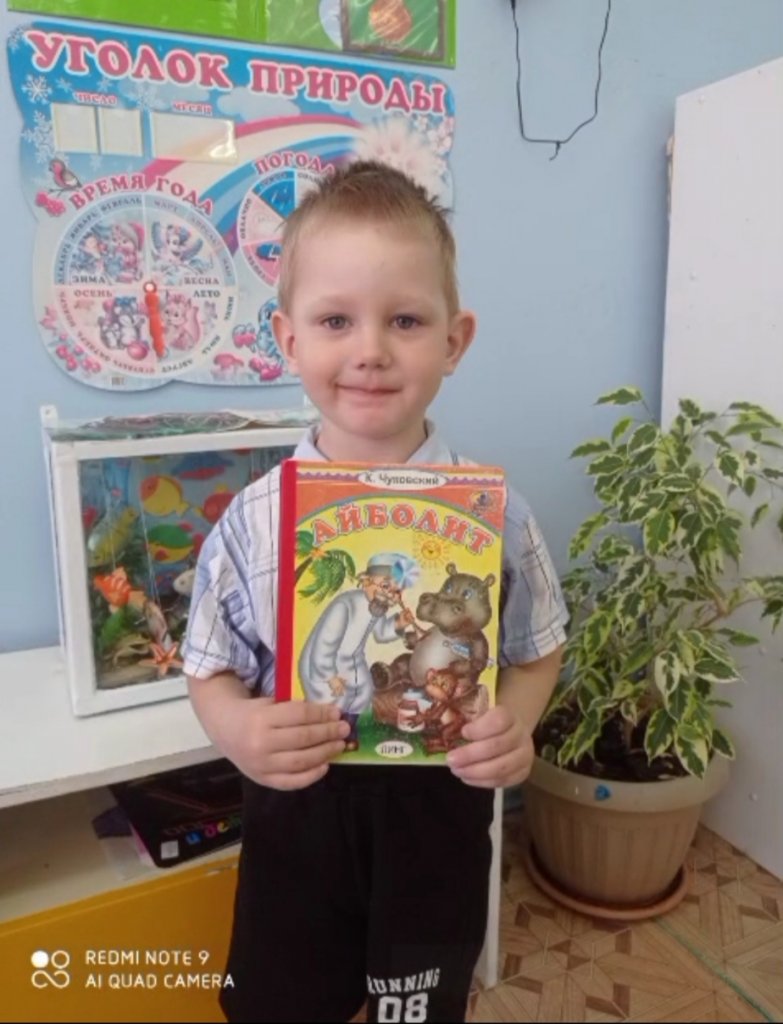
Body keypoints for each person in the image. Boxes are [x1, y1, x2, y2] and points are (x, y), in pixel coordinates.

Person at [182, 160, 568, 1024]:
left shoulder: (497, 513)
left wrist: (516, 723)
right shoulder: (254, 518)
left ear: (454, 340)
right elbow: (207, 665)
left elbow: (536, 649)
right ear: (287, 339)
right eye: (334, 320)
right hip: (297, 817)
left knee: (418, 1009)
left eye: (404, 319)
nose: (369, 350)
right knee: (281, 1004)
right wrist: (236, 729)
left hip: (436, 824)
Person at [298, 552, 415, 751]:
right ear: (366, 581)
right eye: (385, 586)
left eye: (396, 591)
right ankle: (328, 734)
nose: (390, 594)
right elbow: (324, 643)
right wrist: (329, 676)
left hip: (353, 659)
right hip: (324, 661)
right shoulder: (345, 605)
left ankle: (348, 729)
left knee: (364, 690)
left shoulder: (377, 605)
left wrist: (399, 623)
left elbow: (381, 633)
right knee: (334, 697)